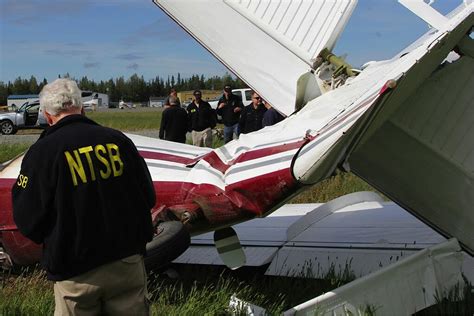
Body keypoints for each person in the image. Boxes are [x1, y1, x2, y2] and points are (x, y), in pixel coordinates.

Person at [12, 78, 155, 315]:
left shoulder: (41, 153)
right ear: (81, 107)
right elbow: (148, 197)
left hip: (75, 269)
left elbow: (28, 220)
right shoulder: (118, 140)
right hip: (127, 262)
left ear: (47, 115)